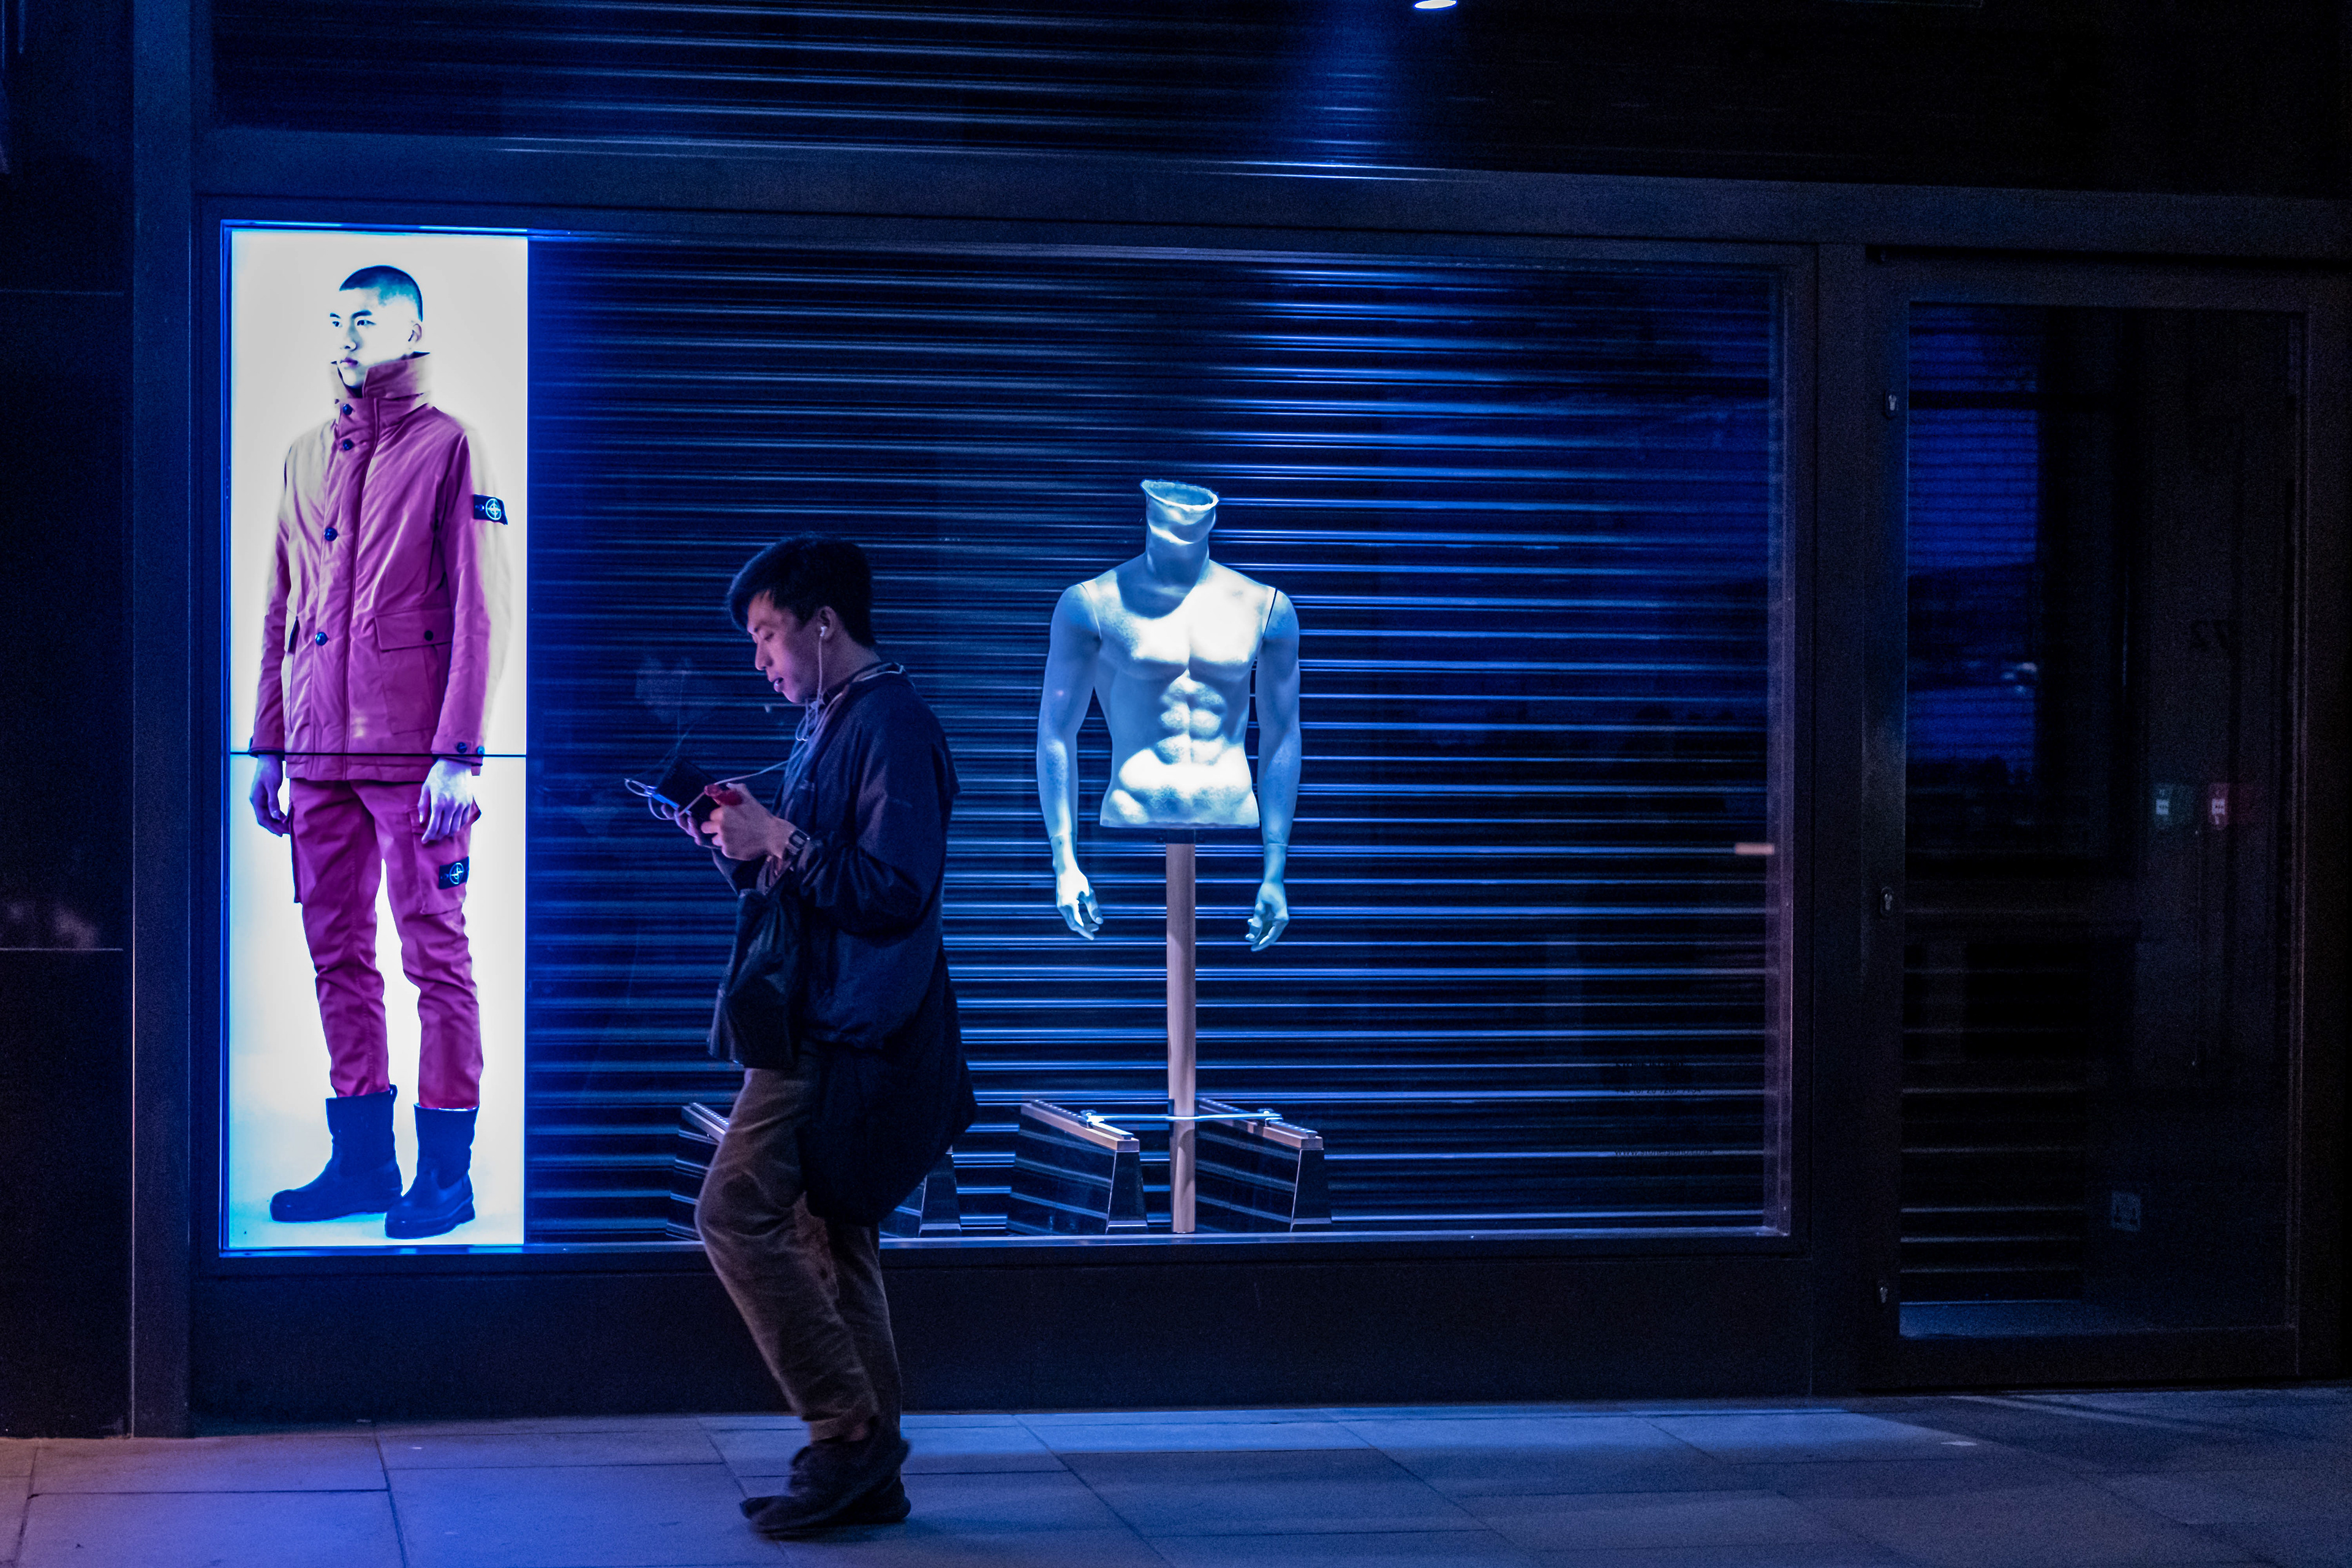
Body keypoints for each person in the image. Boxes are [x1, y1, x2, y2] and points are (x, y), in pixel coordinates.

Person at [679, 535, 968, 1539]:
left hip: (841, 1027)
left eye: (768, 634)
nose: (760, 658)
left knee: (732, 1209)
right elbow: (813, 879)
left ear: (824, 624)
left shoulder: (892, 724)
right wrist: (743, 844)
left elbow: (893, 891)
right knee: (833, 1236)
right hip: (816, 1014)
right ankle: (870, 1472)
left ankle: (847, 1436)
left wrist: (780, 838)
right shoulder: (834, 721)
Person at [248, 263, 508, 1241]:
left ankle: (446, 1176)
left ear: (412, 330)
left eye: (365, 319)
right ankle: (363, 1165)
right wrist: (268, 743)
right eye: (338, 320)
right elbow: (280, 608)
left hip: (414, 759)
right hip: (316, 756)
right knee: (337, 956)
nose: (347, 335)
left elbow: (483, 608)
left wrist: (461, 753)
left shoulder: (451, 446)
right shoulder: (304, 455)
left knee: (436, 953)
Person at [1036, 479, 1302, 950]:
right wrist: (1065, 863)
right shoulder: (1093, 603)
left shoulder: (1265, 607)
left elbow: (1282, 734)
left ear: (1213, 519)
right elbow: (1055, 733)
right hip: (1133, 813)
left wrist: (1274, 870)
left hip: (1230, 812)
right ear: (1146, 513)